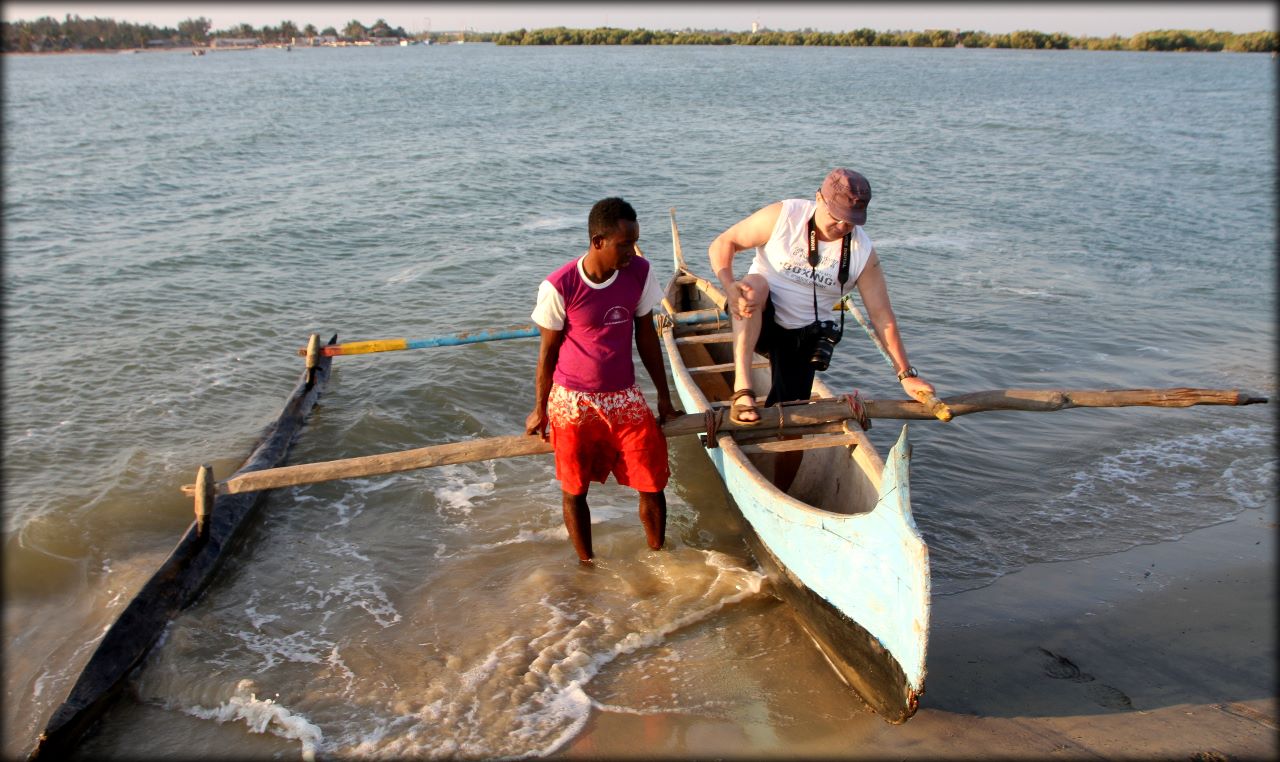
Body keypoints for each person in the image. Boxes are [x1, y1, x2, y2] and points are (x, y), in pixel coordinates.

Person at [708, 167, 936, 435]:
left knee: (791, 425)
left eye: (851, 221)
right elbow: (724, 242)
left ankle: (780, 472)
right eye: (836, 217)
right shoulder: (785, 215)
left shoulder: (862, 253)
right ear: (819, 198)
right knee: (752, 286)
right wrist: (729, 285)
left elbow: (882, 316)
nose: (842, 227)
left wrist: (906, 375)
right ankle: (743, 388)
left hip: (804, 336)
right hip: (758, 318)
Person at [526, 197, 681, 564]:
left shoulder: (640, 273)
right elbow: (547, 355)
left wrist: (662, 396)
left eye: (635, 241)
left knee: (652, 480)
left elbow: (646, 337)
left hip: (624, 397)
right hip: (572, 401)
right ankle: (587, 565)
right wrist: (539, 409)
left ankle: (658, 555)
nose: (632, 251)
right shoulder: (559, 286)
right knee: (575, 488)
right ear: (598, 241)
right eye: (623, 244)